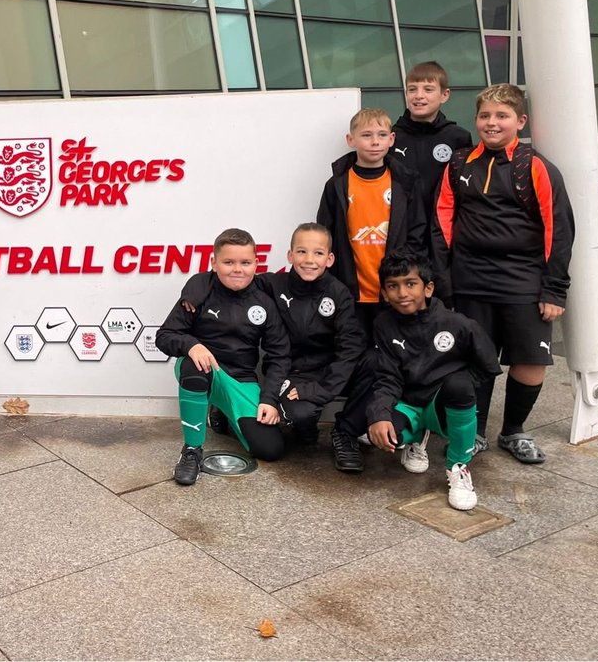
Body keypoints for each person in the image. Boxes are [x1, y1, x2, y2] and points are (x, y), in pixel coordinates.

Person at [433, 84, 574, 464]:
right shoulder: (459, 164)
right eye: (485, 115)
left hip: (523, 280)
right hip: (470, 279)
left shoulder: (535, 166)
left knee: (530, 360)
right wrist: (445, 282)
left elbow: (558, 230)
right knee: (476, 359)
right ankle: (474, 432)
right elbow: (442, 223)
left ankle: (514, 431)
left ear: (520, 121)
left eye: (501, 116)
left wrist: (555, 290)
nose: (491, 123)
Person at [333, 251, 499, 510]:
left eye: (410, 284)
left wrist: (457, 394)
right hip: (407, 403)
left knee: (459, 384)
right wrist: (379, 415)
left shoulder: (457, 324)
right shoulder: (384, 324)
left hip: (441, 403)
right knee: (382, 435)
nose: (402, 293)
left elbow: (488, 366)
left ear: (428, 288)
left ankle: (458, 467)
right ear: (385, 294)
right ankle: (415, 438)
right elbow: (387, 376)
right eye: (393, 286)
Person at [156, 228, 291, 486]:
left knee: (270, 449)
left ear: (256, 263)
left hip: (242, 380)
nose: (237, 269)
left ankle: (222, 409)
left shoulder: (265, 301)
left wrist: (270, 399)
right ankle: (192, 451)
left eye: (245, 262)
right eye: (228, 262)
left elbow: (280, 354)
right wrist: (191, 344)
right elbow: (164, 336)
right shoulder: (199, 293)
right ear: (214, 263)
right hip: (204, 369)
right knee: (197, 367)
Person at [253, 223, 370, 464]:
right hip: (292, 372)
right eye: (301, 251)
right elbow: (233, 278)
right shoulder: (273, 284)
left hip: (326, 373)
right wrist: (196, 290)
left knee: (373, 361)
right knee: (302, 415)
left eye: (318, 253)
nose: (309, 260)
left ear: (329, 259)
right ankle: (304, 426)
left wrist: (321, 389)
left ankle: (345, 432)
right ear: (290, 255)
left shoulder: (339, 294)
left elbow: (350, 350)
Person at [317, 108, 427, 337]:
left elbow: (418, 231)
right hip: (351, 288)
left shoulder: (404, 182)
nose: (375, 142)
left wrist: (405, 273)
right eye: (366, 135)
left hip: (394, 288)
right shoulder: (337, 184)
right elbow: (324, 234)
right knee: (356, 351)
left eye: (382, 135)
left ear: (391, 139)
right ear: (351, 140)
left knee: (395, 351)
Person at [390, 61, 473, 232]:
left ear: (445, 95)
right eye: (412, 89)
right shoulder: (392, 137)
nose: (419, 95)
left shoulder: (459, 138)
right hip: (402, 230)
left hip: (443, 229)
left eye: (428, 89)